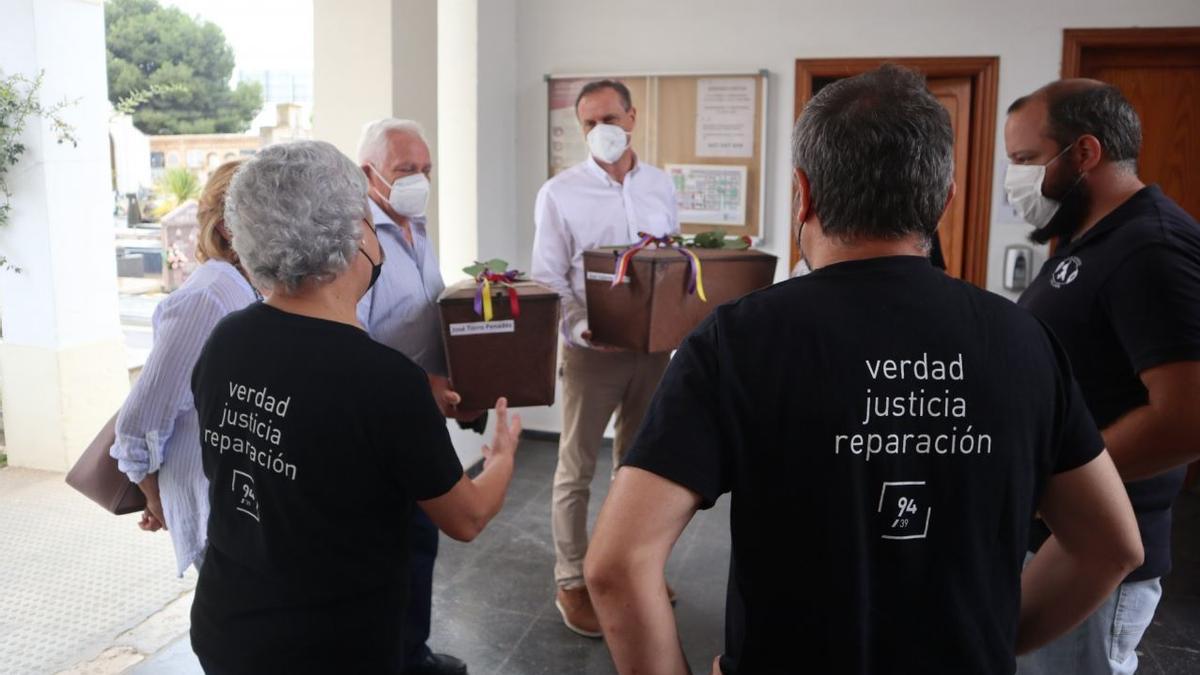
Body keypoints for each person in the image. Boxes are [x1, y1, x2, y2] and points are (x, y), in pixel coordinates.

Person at [584, 65, 1143, 675]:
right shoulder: (1025, 339)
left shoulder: (738, 341)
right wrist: (992, 639)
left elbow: (616, 566)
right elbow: (1111, 545)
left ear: (804, 192)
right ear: (944, 199)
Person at [189, 140, 520, 673]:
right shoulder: (386, 382)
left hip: (227, 626)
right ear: (352, 238)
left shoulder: (227, 339)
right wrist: (502, 456)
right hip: (333, 646)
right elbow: (468, 516)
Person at [1006, 80, 1200, 675]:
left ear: (1084, 154)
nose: (1017, 183)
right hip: (1058, 538)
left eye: (1027, 162)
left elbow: (1187, 417)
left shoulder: (1152, 248)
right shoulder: (1092, 240)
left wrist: (1058, 484)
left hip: (1097, 553)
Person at [531, 78, 680, 638]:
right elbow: (547, 276)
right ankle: (571, 578)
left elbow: (675, 263)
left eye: (610, 120)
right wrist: (582, 325)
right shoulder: (560, 193)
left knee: (639, 468)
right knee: (577, 469)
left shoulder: (661, 185)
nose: (601, 132)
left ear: (633, 118)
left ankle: (629, 567)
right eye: (589, 124)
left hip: (654, 353)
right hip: (592, 355)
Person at [356, 118, 479, 675]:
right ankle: (392, 657)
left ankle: (412, 653)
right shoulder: (355, 240)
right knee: (388, 549)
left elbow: (423, 315)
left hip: (422, 415)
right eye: (407, 171)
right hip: (375, 425)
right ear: (368, 174)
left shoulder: (416, 228)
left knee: (419, 546)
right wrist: (417, 382)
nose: (420, 181)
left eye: (426, 170)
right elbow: (347, 341)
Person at [110, 159, 258, 576]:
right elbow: (138, 422)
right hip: (213, 512)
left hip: (240, 505)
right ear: (228, 227)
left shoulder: (249, 286)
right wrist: (155, 498)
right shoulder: (209, 295)